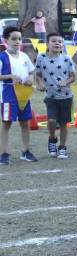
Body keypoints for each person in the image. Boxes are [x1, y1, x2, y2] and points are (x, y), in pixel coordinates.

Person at [0, 26, 37, 165]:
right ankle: (3, 153)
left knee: (25, 123)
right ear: (6, 40)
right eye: (14, 39)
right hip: (8, 95)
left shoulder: (24, 56)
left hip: (24, 95)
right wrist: (9, 76)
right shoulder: (2, 57)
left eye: (19, 39)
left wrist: (31, 79)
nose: (17, 42)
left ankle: (25, 151)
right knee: (6, 123)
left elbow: (32, 71)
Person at [35, 33, 75, 159]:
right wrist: (40, 83)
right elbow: (38, 74)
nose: (57, 43)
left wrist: (66, 82)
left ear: (63, 44)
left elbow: (73, 77)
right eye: (54, 41)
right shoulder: (41, 57)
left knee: (63, 123)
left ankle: (62, 147)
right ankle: (52, 139)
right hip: (50, 96)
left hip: (66, 96)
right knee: (51, 120)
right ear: (47, 44)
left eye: (60, 41)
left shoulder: (67, 59)